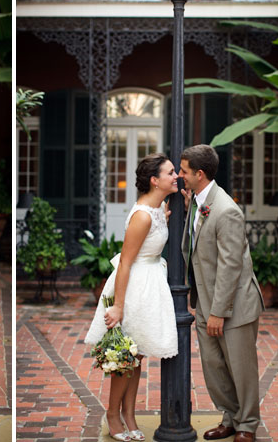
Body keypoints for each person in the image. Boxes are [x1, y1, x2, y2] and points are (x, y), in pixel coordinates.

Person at [85, 152, 179, 442]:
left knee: (135, 357)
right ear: (155, 180)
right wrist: (119, 307)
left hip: (150, 283)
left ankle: (129, 414)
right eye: (171, 173)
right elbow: (125, 262)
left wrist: (165, 215)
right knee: (125, 357)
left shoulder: (157, 207)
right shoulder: (141, 216)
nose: (176, 176)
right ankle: (112, 414)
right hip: (135, 285)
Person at [179, 144, 264, 442]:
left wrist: (218, 312)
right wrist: (190, 207)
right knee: (215, 369)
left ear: (199, 174)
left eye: (184, 171)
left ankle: (248, 425)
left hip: (232, 306)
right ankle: (230, 418)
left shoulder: (227, 210)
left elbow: (230, 267)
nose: (180, 176)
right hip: (204, 301)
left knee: (240, 369)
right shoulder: (201, 201)